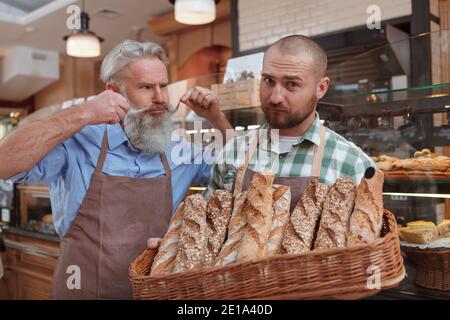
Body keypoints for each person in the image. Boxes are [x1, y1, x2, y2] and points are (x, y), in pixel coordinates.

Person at [0, 40, 232, 299]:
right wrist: (84, 112)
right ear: (113, 92)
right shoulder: (79, 144)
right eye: (146, 87)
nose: (160, 99)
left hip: (151, 294)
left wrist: (217, 119)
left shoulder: (178, 151)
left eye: (163, 86)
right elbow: (4, 162)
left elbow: (239, 172)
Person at [206, 35, 375, 207]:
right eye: (269, 81)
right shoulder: (232, 153)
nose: (275, 97)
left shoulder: (354, 166)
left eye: (292, 84)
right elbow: (207, 228)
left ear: (321, 88)